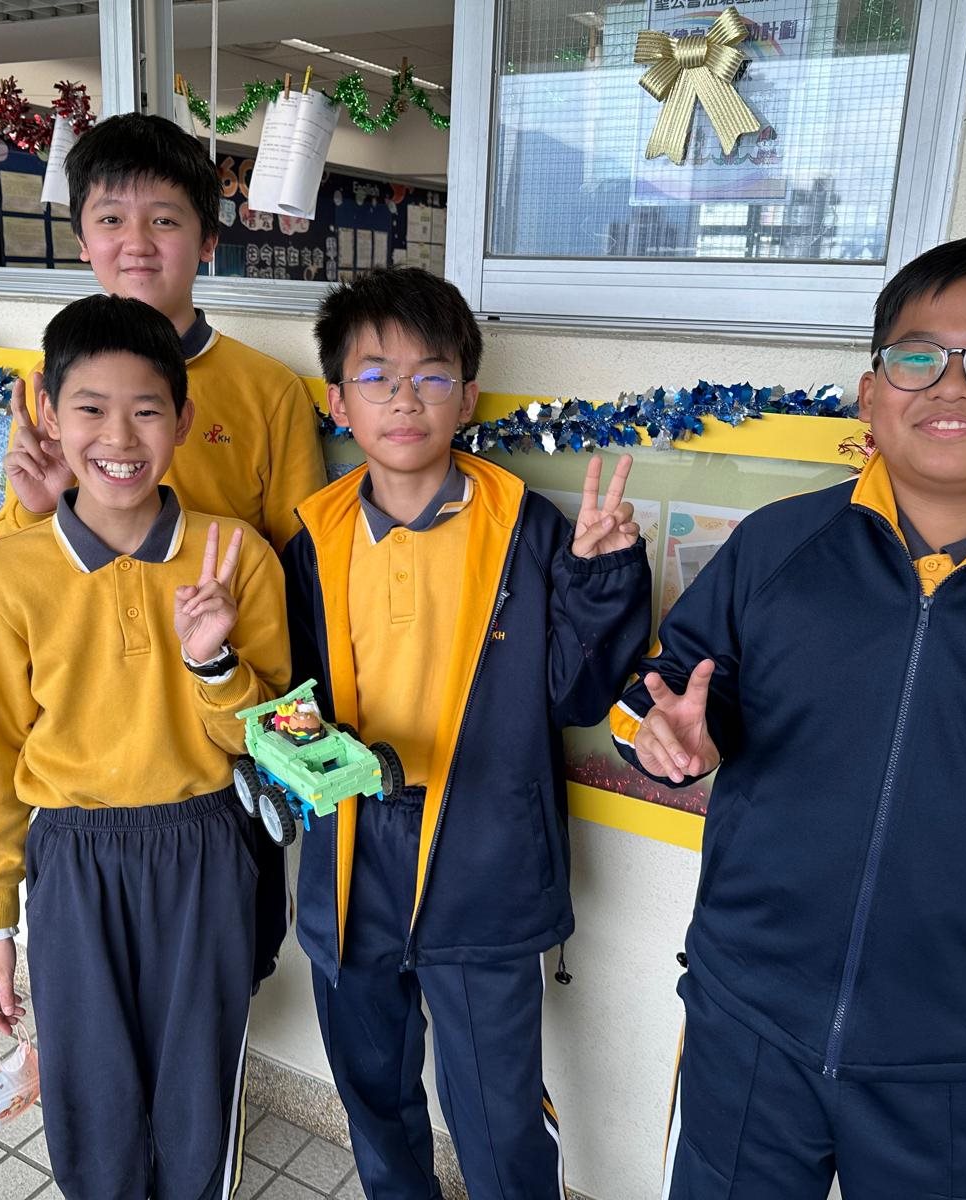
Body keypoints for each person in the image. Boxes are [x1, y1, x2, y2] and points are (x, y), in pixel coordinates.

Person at [614, 234, 966, 1199]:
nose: (951, 385)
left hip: (958, 1056)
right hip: (749, 1016)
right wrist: (663, 736)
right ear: (871, 393)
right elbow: (664, 689)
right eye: (917, 357)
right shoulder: (779, 547)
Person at [283, 266, 653, 1198]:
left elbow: (576, 694)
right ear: (339, 402)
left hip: (485, 851)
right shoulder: (313, 536)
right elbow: (290, 702)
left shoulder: (526, 527)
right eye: (375, 377)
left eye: (432, 375)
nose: (404, 399)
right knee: (372, 1089)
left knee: (497, 1111)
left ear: (469, 394)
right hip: (351, 857)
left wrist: (603, 578)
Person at [0, 293, 287, 1199]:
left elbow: (269, 741)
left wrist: (213, 662)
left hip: (207, 843)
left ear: (182, 420)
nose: (118, 437)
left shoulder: (236, 556)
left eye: (146, 410)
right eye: (90, 409)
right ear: (50, 417)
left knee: (198, 1087)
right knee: (88, 1086)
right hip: (73, 856)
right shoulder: (7, 572)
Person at [0, 112, 325, 549]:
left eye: (164, 221)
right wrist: (37, 506)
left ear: (208, 241)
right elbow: (10, 562)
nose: (137, 244)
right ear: (82, 241)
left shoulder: (269, 391)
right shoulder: (55, 379)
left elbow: (302, 557)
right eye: (111, 220)